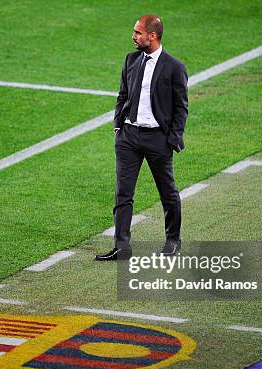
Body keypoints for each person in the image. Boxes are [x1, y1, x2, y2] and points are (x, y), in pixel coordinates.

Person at [95, 15, 188, 261]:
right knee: (123, 194)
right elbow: (122, 95)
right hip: (128, 137)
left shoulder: (175, 67)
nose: (133, 36)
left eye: (138, 32)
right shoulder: (131, 59)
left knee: (167, 193)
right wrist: (118, 127)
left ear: (153, 36)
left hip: (158, 139)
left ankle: (173, 241)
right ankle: (122, 247)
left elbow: (181, 108)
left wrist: (172, 138)